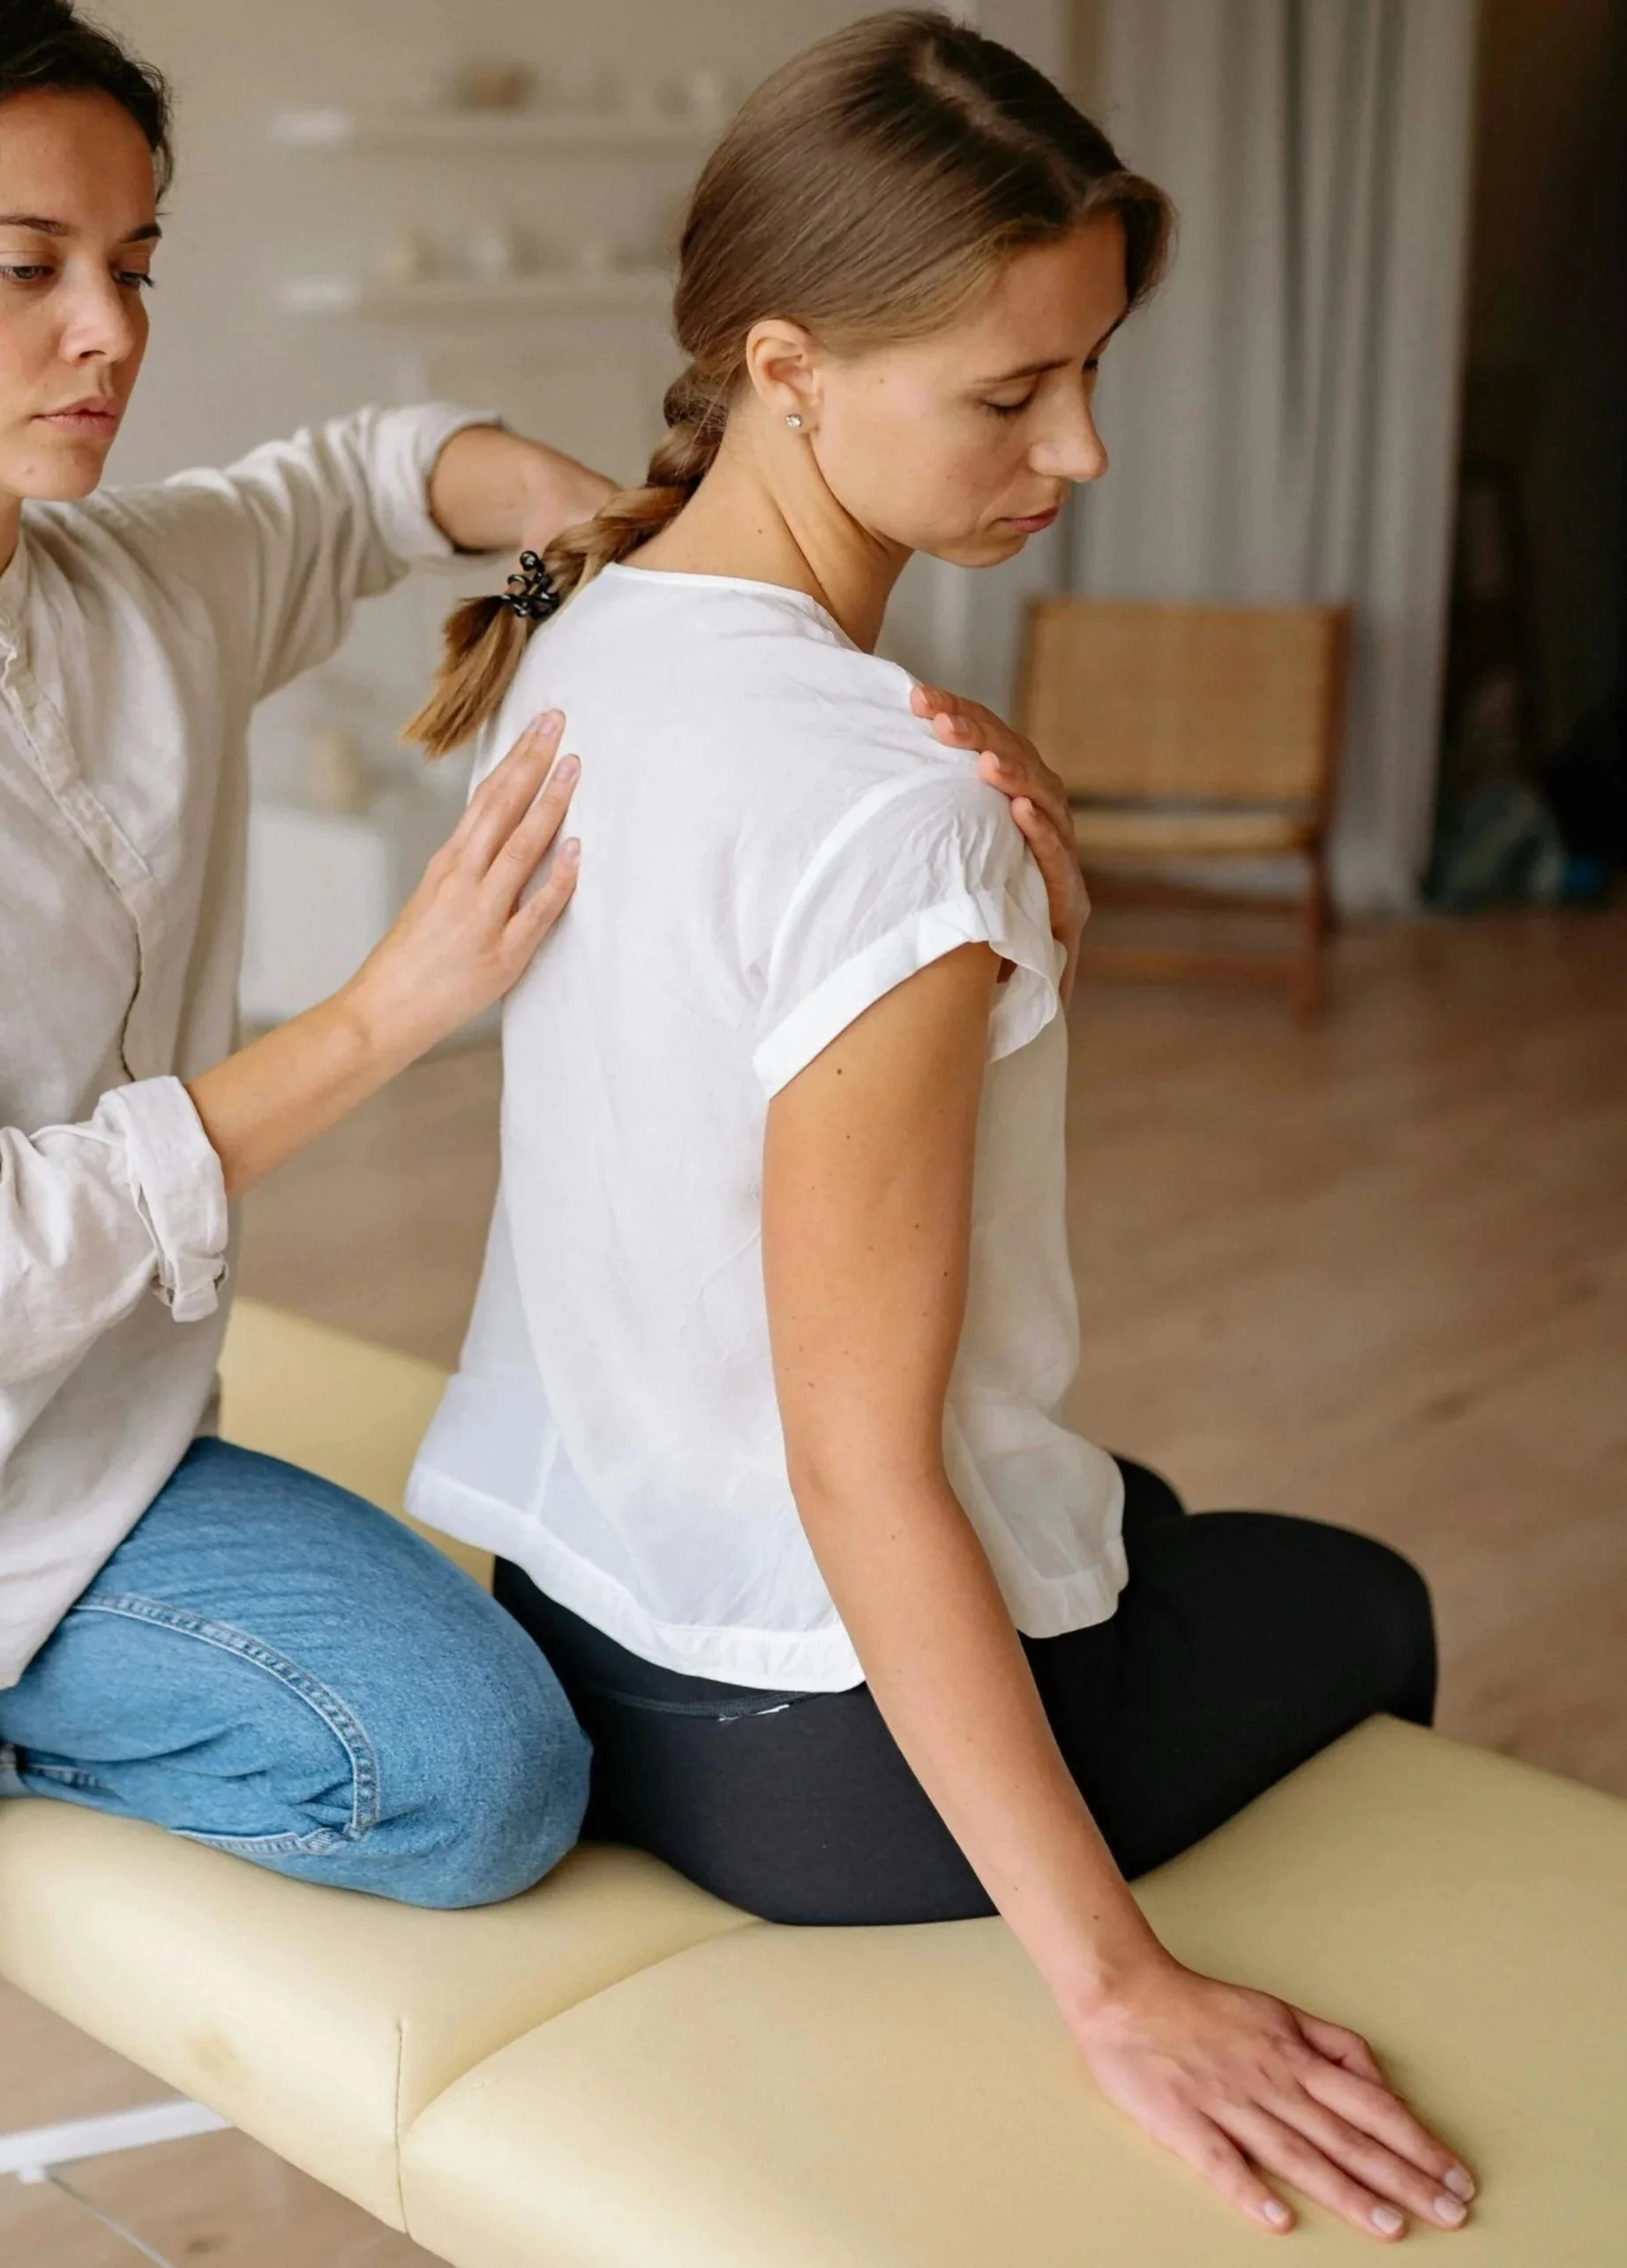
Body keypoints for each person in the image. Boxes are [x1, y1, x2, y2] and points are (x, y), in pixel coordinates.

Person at [405, 11, 1476, 2245]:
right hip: (806, 1760)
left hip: (580, 1597)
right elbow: (854, 1457)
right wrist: (1121, 1990)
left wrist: (997, 875)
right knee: (1358, 1598)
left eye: (1090, 371)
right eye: (1011, 391)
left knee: (1144, 1510)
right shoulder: (889, 808)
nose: (1077, 450)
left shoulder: (595, 623)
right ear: (786, 364)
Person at [0, 0, 1083, 1934]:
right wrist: (386, 1012)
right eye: (24, 268)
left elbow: (379, 471)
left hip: (112, 1450)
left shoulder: (129, 582)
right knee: (472, 1779)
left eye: (133, 263)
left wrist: (609, 556)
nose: (112, 329)